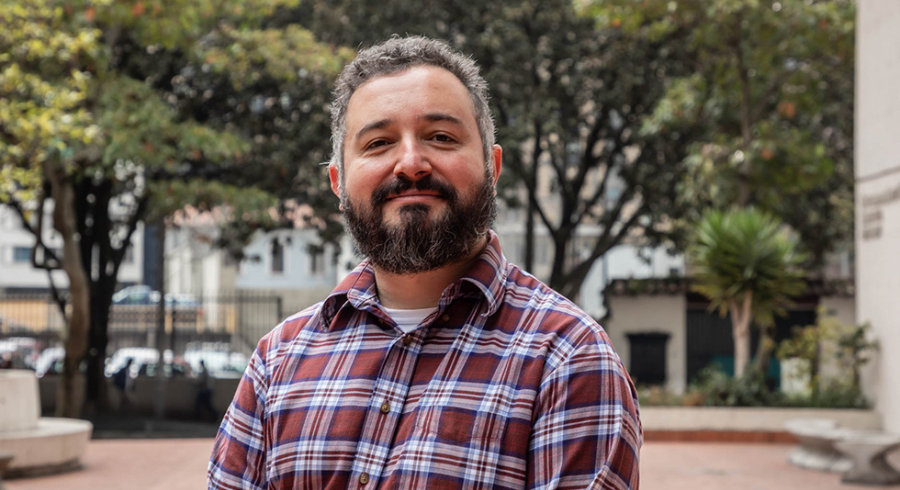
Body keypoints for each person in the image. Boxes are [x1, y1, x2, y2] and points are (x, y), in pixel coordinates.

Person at [209, 36, 641, 489]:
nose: (411, 164)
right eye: (378, 143)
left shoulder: (569, 359)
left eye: (441, 137)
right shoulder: (277, 362)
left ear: (492, 167)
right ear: (338, 182)